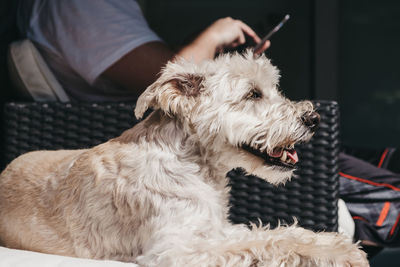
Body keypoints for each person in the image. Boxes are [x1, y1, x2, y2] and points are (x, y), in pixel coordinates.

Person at [17, 0, 270, 102]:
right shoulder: (86, 6)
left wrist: (207, 45)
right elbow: (169, 82)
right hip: (134, 145)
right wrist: (213, 36)